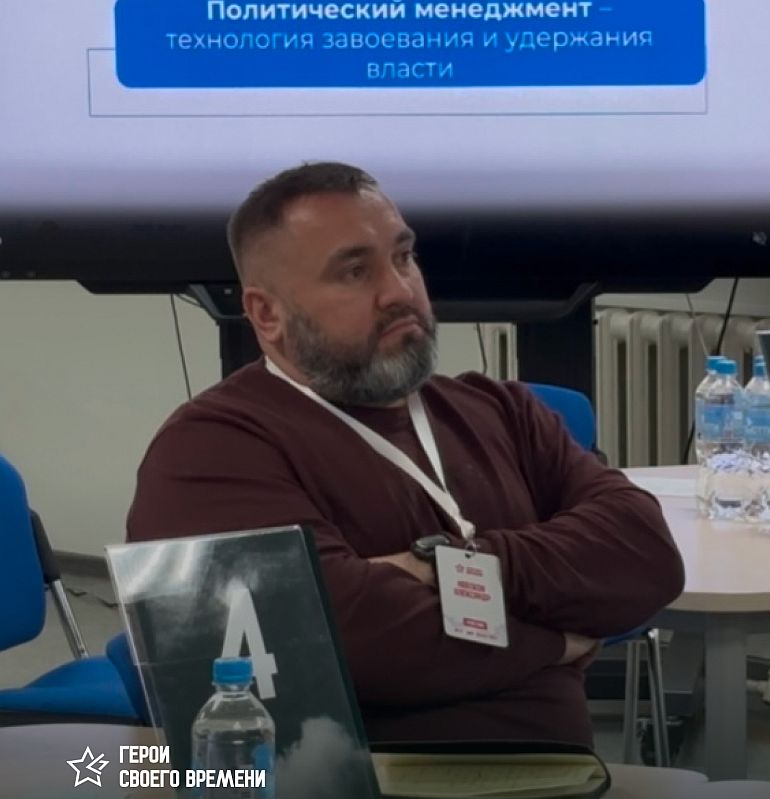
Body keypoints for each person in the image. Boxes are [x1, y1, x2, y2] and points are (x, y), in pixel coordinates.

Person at [126, 162, 685, 746]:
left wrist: (439, 565)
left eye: (403, 257)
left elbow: (645, 554)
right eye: (354, 271)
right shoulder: (212, 447)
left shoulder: (502, 410)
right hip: (370, 780)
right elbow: (338, 642)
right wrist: (555, 642)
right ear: (268, 314)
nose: (399, 291)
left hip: (566, 777)